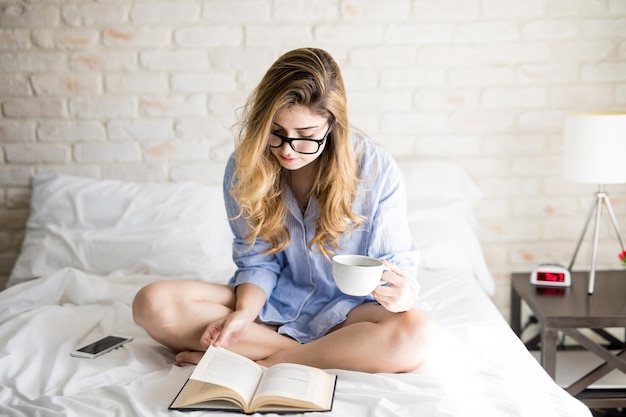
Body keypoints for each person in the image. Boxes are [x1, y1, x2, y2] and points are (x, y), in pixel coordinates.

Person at [132, 47, 438, 373]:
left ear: (332, 126)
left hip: (347, 315)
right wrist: (243, 315)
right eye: (276, 133)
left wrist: (402, 295)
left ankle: (265, 359)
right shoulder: (245, 165)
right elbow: (257, 259)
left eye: (306, 137)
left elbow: (393, 264)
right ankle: (318, 354)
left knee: (418, 333)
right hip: (272, 306)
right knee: (152, 303)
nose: (287, 150)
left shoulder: (375, 169)